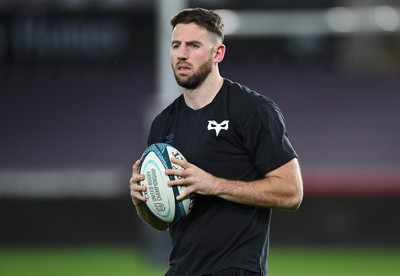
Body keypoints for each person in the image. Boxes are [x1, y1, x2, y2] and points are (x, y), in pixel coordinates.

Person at [130, 7, 303, 276]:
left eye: (193, 45)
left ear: (217, 53)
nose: (182, 54)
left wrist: (212, 184)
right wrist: (144, 200)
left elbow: (292, 192)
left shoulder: (252, 110)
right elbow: (161, 222)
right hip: (181, 269)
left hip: (236, 269)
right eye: (176, 45)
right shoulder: (163, 123)